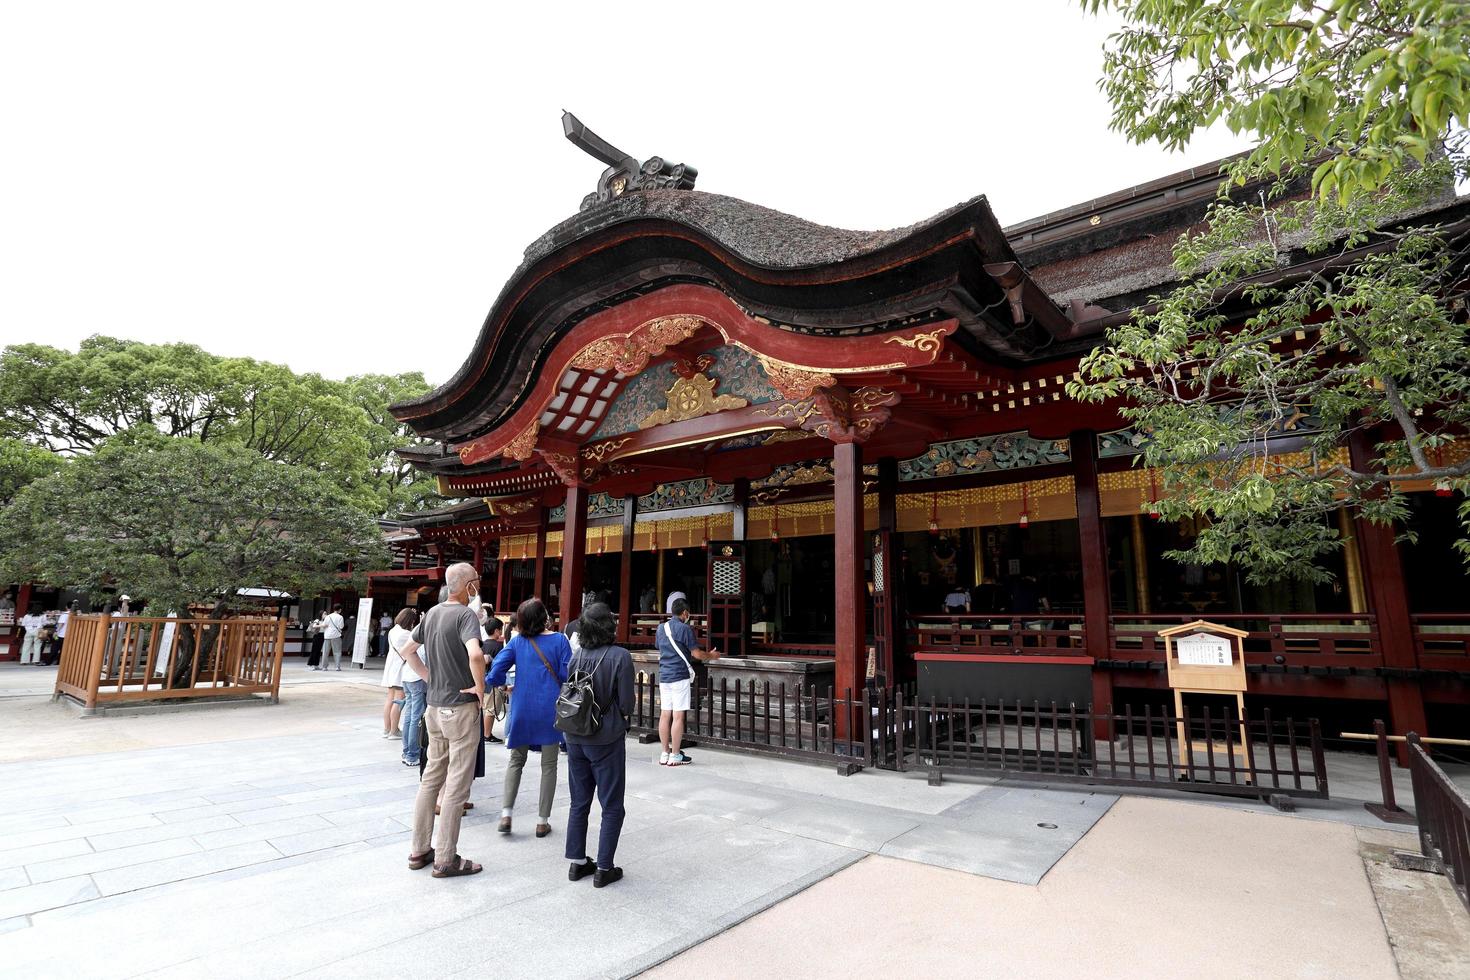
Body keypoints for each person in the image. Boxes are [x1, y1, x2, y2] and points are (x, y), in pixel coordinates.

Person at [399, 564, 485, 877]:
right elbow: (475, 654)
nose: (478, 585)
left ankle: (419, 849)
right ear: (467, 585)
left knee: (431, 779)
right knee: (456, 787)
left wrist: (428, 678)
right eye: (477, 581)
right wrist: (480, 687)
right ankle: (446, 857)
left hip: (434, 708)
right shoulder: (465, 616)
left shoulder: (432, 613)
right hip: (460, 708)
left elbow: (407, 650)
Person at [562, 602, 634, 888]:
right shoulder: (620, 657)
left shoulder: (576, 656)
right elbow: (627, 703)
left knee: (579, 801)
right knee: (612, 804)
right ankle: (605, 867)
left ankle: (577, 862)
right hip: (606, 737)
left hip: (575, 734)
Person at [487, 597, 570, 837]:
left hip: (523, 707)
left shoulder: (517, 643)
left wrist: (504, 685)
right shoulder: (559, 640)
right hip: (550, 709)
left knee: (516, 761)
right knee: (549, 765)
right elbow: (567, 673)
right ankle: (542, 821)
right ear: (544, 617)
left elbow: (494, 673)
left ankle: (506, 814)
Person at [656, 596, 719, 766]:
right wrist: (711, 656)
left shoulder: (661, 628)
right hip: (679, 676)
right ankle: (675, 754)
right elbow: (696, 654)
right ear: (685, 613)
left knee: (664, 714)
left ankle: (664, 753)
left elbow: (659, 647)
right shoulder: (685, 629)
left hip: (664, 676)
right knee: (678, 716)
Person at [393, 609, 425, 766]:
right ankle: (412, 754)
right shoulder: (412, 635)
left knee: (409, 716)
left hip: (406, 676)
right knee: (415, 718)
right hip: (416, 677)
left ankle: (406, 752)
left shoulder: (395, 632)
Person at [379, 612, 408, 739]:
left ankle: (387, 729)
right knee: (399, 700)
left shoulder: (393, 631)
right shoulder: (406, 634)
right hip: (400, 669)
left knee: (390, 699)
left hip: (391, 668)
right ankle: (394, 730)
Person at [481, 619, 505, 745]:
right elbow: (500, 666)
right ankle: (487, 734)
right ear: (496, 631)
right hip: (493, 681)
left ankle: (484, 733)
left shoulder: (482, 644)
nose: (501, 632)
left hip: (482, 680)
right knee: (492, 709)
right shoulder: (498, 646)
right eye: (500, 629)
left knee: (484, 708)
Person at [319, 604, 345, 671]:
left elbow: (324, 625)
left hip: (327, 636)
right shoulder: (340, 617)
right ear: (339, 610)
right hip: (336, 636)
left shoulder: (328, 616)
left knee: (325, 652)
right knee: (337, 652)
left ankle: (324, 667)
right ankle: (337, 667)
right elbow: (341, 627)